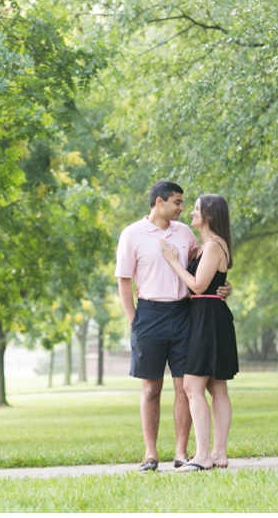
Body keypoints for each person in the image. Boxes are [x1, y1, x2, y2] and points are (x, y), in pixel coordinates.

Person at [115, 180, 230, 472]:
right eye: (177, 202)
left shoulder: (185, 233)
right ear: (159, 202)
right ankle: (150, 454)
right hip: (149, 315)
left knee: (185, 386)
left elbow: (204, 266)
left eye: (185, 204)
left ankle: (181, 453)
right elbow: (124, 280)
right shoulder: (132, 234)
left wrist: (222, 286)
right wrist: (134, 321)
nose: (182, 208)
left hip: (184, 314)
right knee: (151, 387)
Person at [159, 193, 238, 472]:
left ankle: (204, 455)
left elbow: (199, 285)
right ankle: (218, 454)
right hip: (206, 316)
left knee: (193, 386)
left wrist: (172, 260)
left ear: (210, 214)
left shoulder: (215, 245)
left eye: (196, 209)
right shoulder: (206, 246)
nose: (191, 212)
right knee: (216, 387)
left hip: (208, 319)